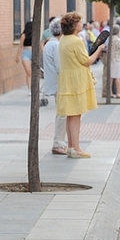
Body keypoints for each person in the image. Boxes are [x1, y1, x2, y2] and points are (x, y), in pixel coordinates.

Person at [56, 12, 106, 158]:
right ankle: (76, 148)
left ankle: (71, 146)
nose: (81, 24)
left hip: (67, 79)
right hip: (76, 80)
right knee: (76, 115)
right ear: (73, 25)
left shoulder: (64, 39)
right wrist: (99, 50)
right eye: (79, 22)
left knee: (71, 114)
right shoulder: (75, 41)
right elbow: (87, 61)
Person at [42, 18, 69, 155]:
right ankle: (58, 143)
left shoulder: (49, 44)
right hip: (60, 83)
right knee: (62, 114)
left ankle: (60, 142)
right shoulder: (56, 46)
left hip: (55, 82)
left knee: (62, 113)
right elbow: (61, 66)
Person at [16, 20, 34, 91]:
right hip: (26, 53)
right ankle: (29, 88)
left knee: (33, 72)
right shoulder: (23, 35)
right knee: (28, 72)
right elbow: (20, 46)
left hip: (33, 53)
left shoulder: (34, 35)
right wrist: (18, 56)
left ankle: (32, 87)